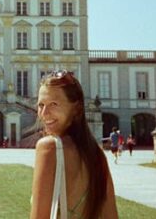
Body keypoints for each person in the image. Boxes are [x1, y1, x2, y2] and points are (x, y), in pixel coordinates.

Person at [30, 70, 119, 219]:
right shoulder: (97, 154)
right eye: (41, 105)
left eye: (54, 104)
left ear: (77, 108)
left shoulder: (49, 147)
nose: (44, 113)